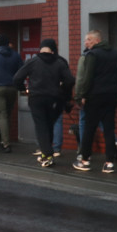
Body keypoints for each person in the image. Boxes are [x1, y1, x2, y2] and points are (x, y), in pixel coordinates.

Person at [12, 39, 75, 167]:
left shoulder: (33, 61)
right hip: (54, 99)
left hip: (36, 98)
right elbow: (70, 80)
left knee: (41, 126)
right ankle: (47, 153)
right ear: (53, 49)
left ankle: (47, 154)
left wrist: (24, 90)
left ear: (40, 49)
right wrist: (64, 93)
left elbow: (17, 78)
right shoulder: (59, 62)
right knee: (49, 125)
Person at [73, 30, 117, 173]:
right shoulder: (114, 54)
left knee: (89, 128)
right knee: (109, 129)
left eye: (88, 39)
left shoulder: (92, 55)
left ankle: (84, 160)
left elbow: (87, 78)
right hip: (111, 96)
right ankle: (109, 162)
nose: (85, 42)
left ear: (96, 40)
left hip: (95, 96)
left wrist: (81, 95)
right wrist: (116, 92)